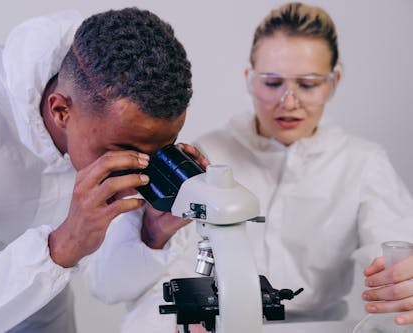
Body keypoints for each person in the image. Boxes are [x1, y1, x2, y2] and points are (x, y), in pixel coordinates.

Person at [84, 2, 413, 332]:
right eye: (272, 83)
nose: (289, 101)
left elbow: (399, 251)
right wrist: (154, 235)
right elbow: (108, 285)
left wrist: (402, 280)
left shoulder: (363, 163)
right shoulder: (202, 157)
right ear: (249, 79)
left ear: (333, 81)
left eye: (308, 84)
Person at [0, 7, 194, 333]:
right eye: (127, 153)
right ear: (61, 111)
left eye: (159, 151)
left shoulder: (120, 122)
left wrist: (151, 235)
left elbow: (105, 285)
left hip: (43, 288)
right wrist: (63, 245)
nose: (138, 176)